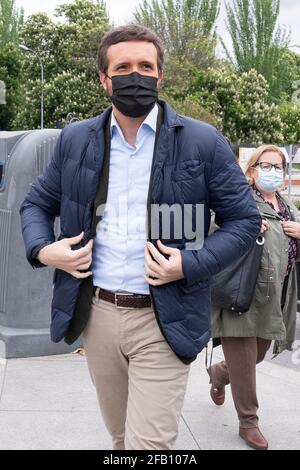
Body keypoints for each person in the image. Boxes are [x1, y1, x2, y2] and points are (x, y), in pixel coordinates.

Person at [20, 24, 261, 450]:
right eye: (124, 67)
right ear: (104, 78)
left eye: (146, 66)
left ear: (160, 75)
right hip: (98, 316)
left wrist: (188, 263)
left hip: (165, 319)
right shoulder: (77, 140)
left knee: (149, 447)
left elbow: (243, 220)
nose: (136, 75)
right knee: (120, 439)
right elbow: (36, 205)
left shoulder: (201, 141)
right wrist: (43, 250)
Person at [210, 144, 300, 450]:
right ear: (253, 169)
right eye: (267, 165)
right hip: (242, 293)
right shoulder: (240, 201)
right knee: (246, 363)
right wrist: (241, 228)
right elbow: (211, 231)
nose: (273, 172)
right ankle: (249, 422)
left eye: (278, 167)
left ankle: (219, 374)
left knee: (257, 355)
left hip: (274, 296)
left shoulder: (287, 208)